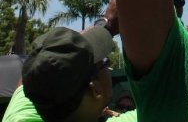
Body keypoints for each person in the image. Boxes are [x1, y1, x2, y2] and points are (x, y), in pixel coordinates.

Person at [2, 26, 136, 122]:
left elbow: (37, 70)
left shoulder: (19, 117)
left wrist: (106, 26)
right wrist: (106, 24)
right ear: (96, 89)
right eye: (105, 62)